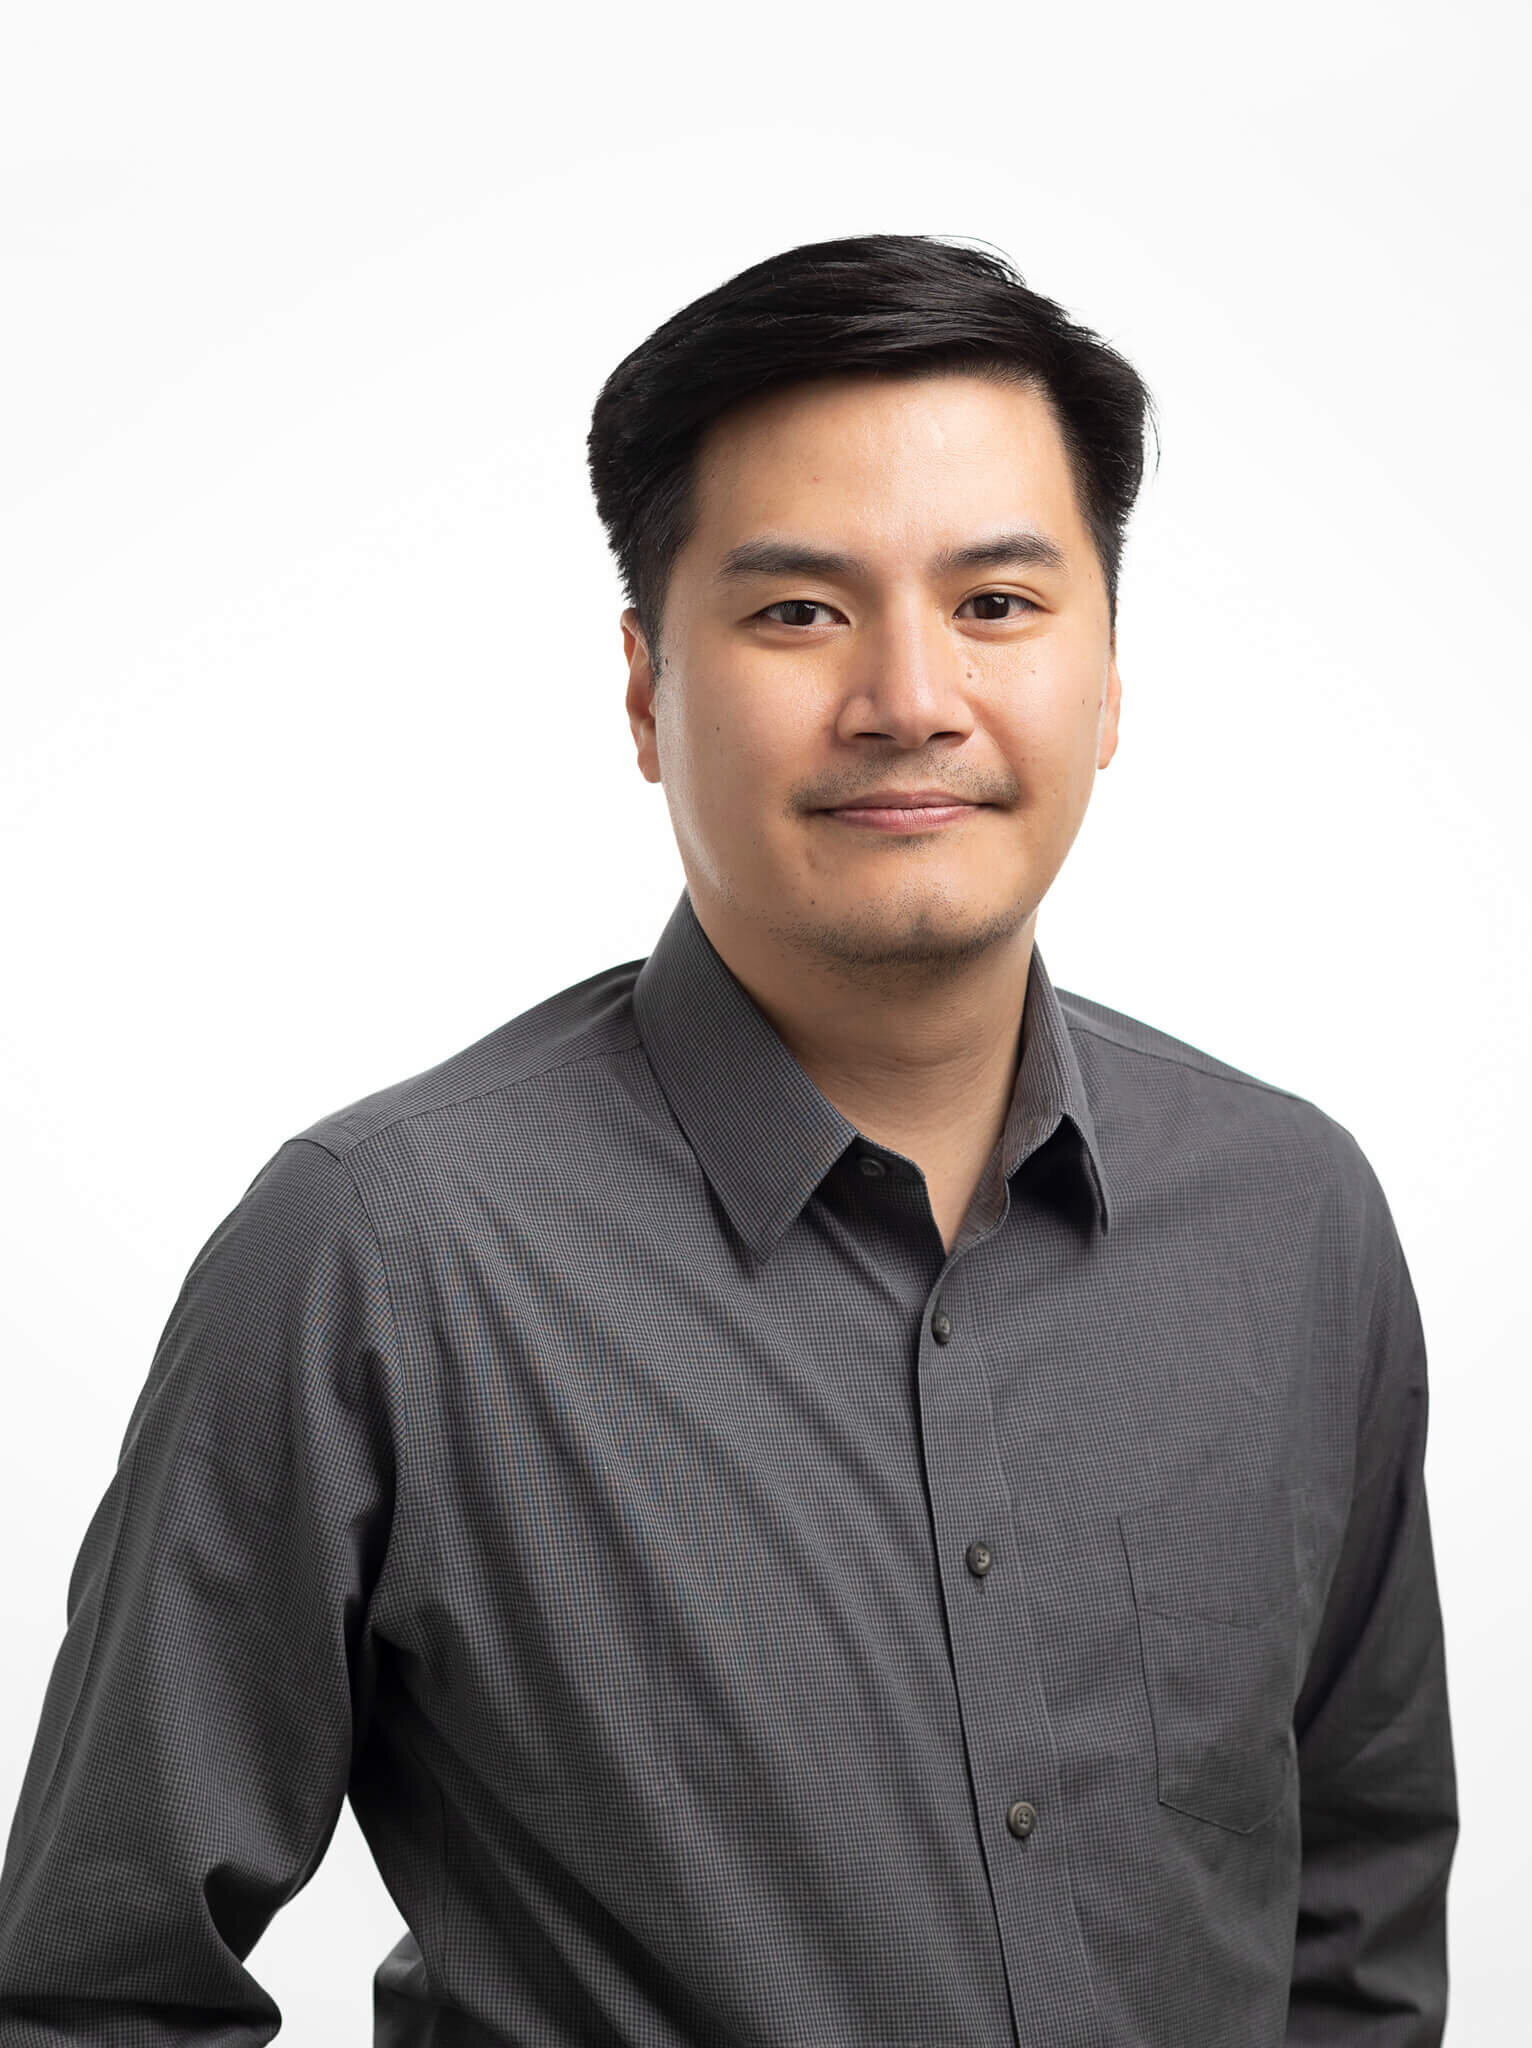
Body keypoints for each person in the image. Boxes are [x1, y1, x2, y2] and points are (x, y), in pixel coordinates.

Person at [0, 233, 1457, 2046]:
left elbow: (1359, 1917)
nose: (909, 697)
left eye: (998, 604)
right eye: (798, 612)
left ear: (1108, 677)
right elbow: (91, 1993)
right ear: (644, 690)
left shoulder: (1292, 1222)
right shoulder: (382, 1258)